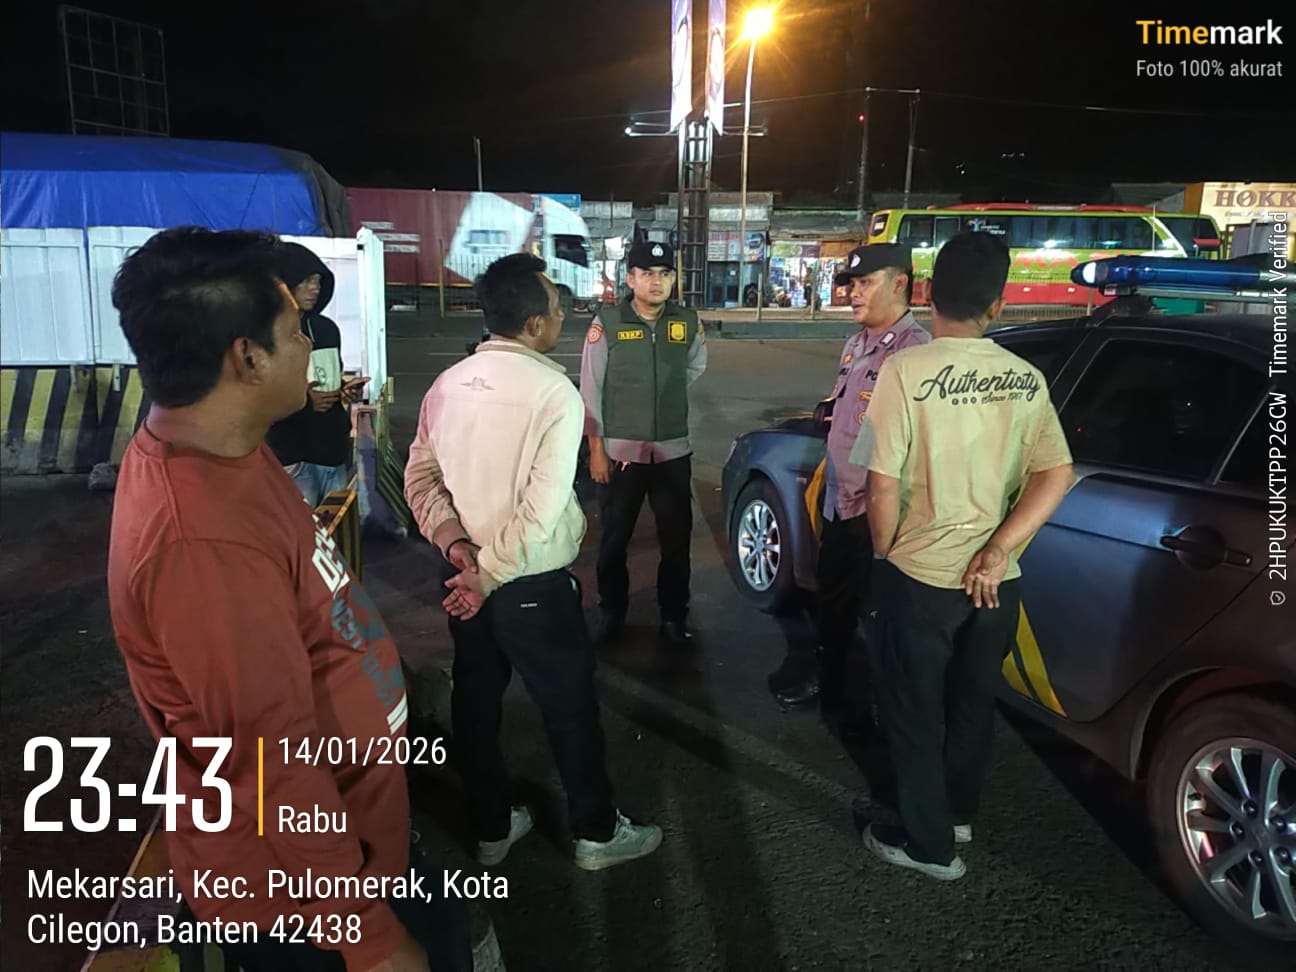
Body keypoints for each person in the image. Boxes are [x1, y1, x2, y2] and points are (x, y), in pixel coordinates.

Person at [106, 227, 470, 972]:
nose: (310, 344)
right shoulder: (199, 540)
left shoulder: (231, 452)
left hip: (354, 844)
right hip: (298, 905)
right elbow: (269, 757)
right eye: (296, 329)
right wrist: (368, 940)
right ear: (247, 357)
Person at [405, 252, 663, 872]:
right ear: (534, 323)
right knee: (568, 707)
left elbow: (420, 478)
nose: (561, 317)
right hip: (528, 584)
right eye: (555, 307)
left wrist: (457, 549)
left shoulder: (447, 384)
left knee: (476, 703)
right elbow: (540, 509)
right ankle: (596, 832)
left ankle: (491, 826)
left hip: (463, 575)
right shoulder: (553, 392)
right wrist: (488, 574)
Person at [853, 231, 1075, 880]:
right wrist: (1000, 547)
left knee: (914, 712)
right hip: (996, 582)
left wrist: (884, 553)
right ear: (998, 305)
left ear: (926, 293)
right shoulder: (1026, 378)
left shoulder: (906, 371)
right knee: (972, 705)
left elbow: (881, 483)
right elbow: (1056, 473)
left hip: (922, 577)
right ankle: (956, 815)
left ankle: (930, 847)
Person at [773, 244, 929, 714]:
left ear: (899, 283)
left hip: (881, 509)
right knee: (833, 601)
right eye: (852, 284)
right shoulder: (857, 343)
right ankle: (830, 684)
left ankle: (879, 706)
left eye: (865, 283)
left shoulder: (915, 352)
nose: (853, 294)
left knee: (881, 614)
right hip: (841, 500)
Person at [579, 240, 707, 645]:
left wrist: (662, 397)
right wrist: (596, 450)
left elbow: (693, 367)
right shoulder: (608, 322)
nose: (657, 282)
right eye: (647, 274)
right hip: (620, 454)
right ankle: (612, 612)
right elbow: (590, 389)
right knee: (615, 540)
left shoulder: (687, 322)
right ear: (631, 278)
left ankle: (673, 616)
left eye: (665, 274)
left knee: (676, 541)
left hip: (672, 451)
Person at [266, 242, 367, 506]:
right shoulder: (265, 334)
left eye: (318, 281)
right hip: (292, 456)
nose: (315, 288)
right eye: (307, 280)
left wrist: (344, 390)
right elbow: (257, 395)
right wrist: (303, 399)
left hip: (332, 452)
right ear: (284, 284)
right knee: (302, 529)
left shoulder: (327, 329)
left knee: (335, 527)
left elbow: (330, 373)